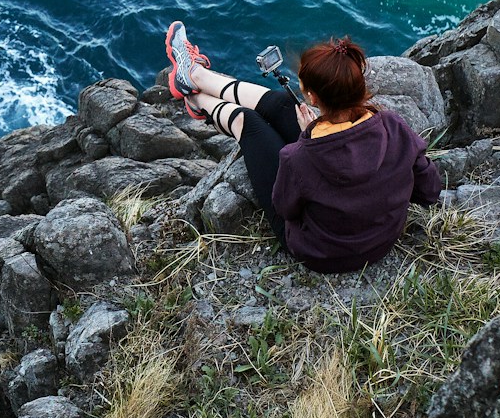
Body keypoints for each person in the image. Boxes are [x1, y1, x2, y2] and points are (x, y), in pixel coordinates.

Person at [164, 22, 441, 273]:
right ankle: (195, 76)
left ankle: (198, 100)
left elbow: (285, 209)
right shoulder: (393, 126)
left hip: (323, 253)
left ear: (312, 96)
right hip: (382, 239)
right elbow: (429, 190)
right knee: (286, 105)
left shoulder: (299, 157)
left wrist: (309, 136)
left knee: (249, 124)